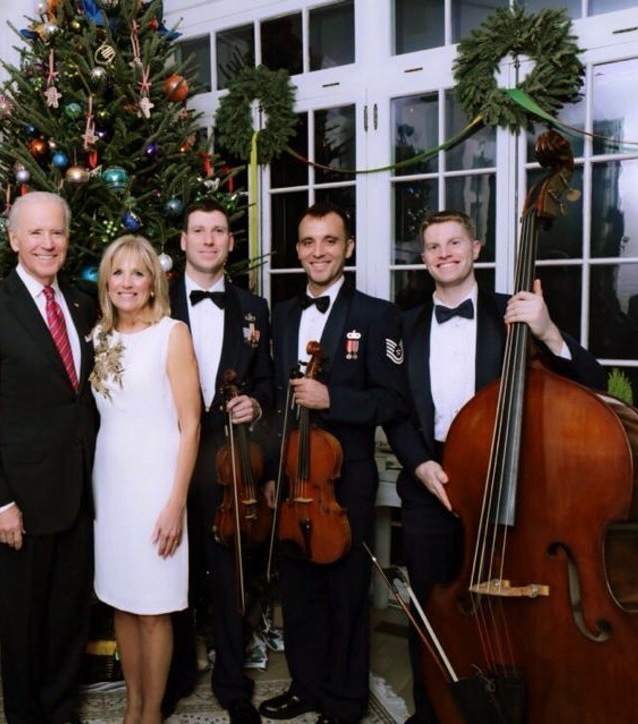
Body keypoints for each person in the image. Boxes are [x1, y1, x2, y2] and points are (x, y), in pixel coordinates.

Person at [384, 210, 605, 724]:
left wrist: (549, 332)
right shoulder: (405, 323)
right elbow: (392, 407)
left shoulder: (516, 312)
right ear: (423, 259)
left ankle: (513, 710)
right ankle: (433, 712)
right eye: (433, 246)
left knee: (507, 608)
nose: (444, 253)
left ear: (476, 247)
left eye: (454, 242)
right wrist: (418, 465)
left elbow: (593, 384)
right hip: (430, 482)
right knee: (433, 610)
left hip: (505, 479)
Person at [0, 191, 98, 723]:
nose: (47, 242)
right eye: (35, 232)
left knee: (68, 622)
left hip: (79, 496)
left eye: (56, 232)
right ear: (14, 239)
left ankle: (60, 713)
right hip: (20, 504)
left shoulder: (84, 305)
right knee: (24, 626)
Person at [260, 202, 408, 724]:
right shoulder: (280, 315)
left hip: (345, 480)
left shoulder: (377, 315)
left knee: (346, 591)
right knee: (298, 590)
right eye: (307, 242)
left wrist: (333, 401)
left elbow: (393, 401)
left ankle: (344, 703)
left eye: (329, 241)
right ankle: (306, 686)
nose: (317, 252)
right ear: (297, 249)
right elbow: (277, 405)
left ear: (348, 247)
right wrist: (274, 475)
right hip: (293, 475)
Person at [165, 199, 274, 723]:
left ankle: (233, 685)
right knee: (171, 570)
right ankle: (176, 675)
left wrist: (256, 403)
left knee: (230, 571)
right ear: (182, 241)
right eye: (198, 231)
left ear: (231, 243)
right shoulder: (153, 298)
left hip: (229, 457)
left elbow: (271, 384)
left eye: (219, 232)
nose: (209, 240)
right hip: (165, 455)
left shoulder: (256, 309)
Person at [91, 235, 202, 724]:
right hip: (110, 490)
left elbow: (191, 422)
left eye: (138, 273)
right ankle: (131, 706)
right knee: (122, 602)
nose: (127, 283)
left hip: (158, 488)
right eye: (118, 272)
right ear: (106, 281)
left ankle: (152, 712)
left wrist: (175, 502)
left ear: (153, 280)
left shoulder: (171, 333)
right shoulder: (98, 338)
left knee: (155, 608)